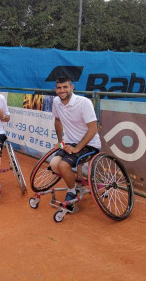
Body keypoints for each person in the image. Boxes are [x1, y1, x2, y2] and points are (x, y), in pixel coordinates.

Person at [50, 76, 101, 205]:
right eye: (59, 88)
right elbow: (57, 120)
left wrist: (77, 148)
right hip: (70, 143)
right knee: (54, 165)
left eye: (65, 87)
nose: (62, 90)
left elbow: (93, 128)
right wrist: (61, 141)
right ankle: (74, 180)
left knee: (63, 165)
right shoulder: (56, 101)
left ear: (72, 88)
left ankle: (72, 191)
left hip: (90, 144)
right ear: (56, 89)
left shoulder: (84, 102)